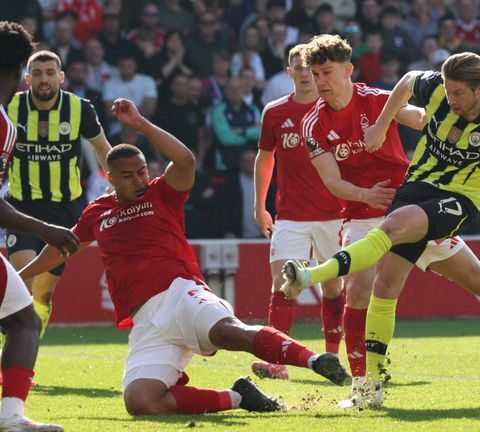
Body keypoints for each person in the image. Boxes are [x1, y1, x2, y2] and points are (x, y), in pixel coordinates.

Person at [19, 98, 350, 417]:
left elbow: (186, 160)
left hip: (180, 293)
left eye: (142, 171)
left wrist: (140, 124)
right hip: (146, 321)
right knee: (141, 402)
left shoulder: (162, 193)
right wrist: (24, 276)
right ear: (109, 177)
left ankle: (315, 360)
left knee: (228, 332)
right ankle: (239, 397)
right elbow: (64, 247)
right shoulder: (97, 212)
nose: (138, 180)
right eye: (128, 175)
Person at [283, 49, 480, 408]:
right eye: (314, 73)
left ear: (347, 70)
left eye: (326, 73)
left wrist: (398, 123)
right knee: (364, 289)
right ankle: (365, 387)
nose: (318, 81)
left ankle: (311, 276)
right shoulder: (313, 124)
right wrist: (365, 194)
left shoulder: (375, 99)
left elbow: (421, 117)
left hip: (416, 202)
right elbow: (331, 180)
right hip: (366, 210)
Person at [0, 20, 80, 432]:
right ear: (19, 75)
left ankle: (11, 415)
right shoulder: (4, 122)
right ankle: (10, 416)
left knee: (25, 315)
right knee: (24, 320)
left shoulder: (74, 110)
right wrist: (46, 229)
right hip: (26, 212)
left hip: (57, 208)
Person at [251, 43, 345, 381]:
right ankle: (277, 363)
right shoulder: (274, 112)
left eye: (310, 66)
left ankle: (332, 356)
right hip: (290, 216)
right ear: (289, 72)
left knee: (333, 289)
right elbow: (265, 159)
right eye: (298, 66)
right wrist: (260, 206)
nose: (305, 72)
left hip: (334, 213)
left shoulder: (334, 108)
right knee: (283, 285)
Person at [6, 50, 111, 339]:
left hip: (65, 212)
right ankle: (15, 358)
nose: (44, 80)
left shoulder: (79, 109)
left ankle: (28, 348)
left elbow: (103, 148)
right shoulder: (10, 106)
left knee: (44, 293)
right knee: (21, 287)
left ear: (61, 77)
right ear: (27, 79)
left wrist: (115, 183)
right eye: (37, 74)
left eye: (50, 73)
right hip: (21, 209)